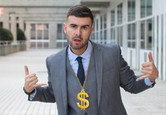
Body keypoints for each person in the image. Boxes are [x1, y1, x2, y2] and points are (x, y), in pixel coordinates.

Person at [23, 5, 159, 115]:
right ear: (65, 28)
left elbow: (131, 84)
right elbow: (54, 94)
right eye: (73, 26)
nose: (78, 33)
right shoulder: (53, 61)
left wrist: (151, 78)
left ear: (91, 30)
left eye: (84, 27)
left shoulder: (111, 54)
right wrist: (31, 90)